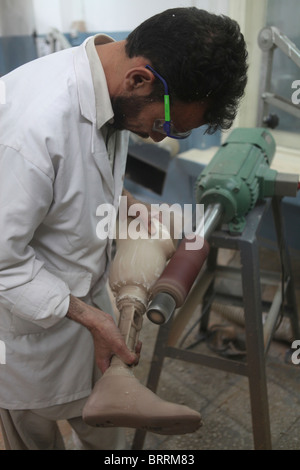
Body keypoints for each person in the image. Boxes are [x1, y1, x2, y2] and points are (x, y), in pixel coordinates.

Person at [0, 7, 248, 450]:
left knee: (107, 432)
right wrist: (91, 317)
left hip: (85, 310)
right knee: (32, 437)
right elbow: (3, 261)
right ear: (139, 80)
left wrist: (128, 206)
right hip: (24, 334)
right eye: (164, 125)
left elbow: (73, 184)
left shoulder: (110, 93)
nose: (157, 138)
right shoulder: (30, 129)